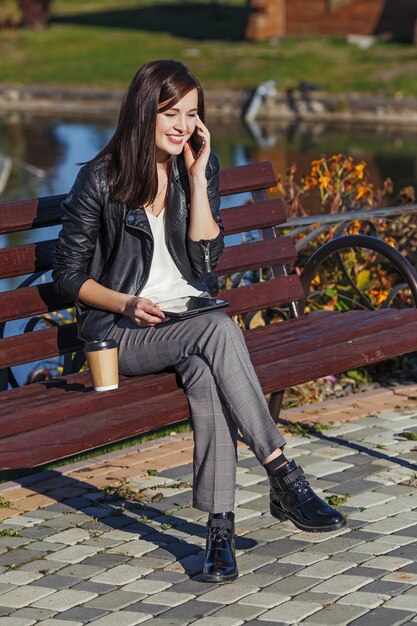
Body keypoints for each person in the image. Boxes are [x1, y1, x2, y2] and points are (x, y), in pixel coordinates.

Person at [53, 59, 345, 584]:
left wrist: (197, 177)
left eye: (192, 114)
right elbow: (67, 276)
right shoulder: (101, 179)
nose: (183, 125)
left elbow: (207, 264)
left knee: (208, 368)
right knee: (218, 330)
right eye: (171, 112)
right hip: (122, 333)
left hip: (187, 321)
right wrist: (123, 302)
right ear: (145, 111)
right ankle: (283, 473)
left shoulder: (195, 167)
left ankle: (220, 532)